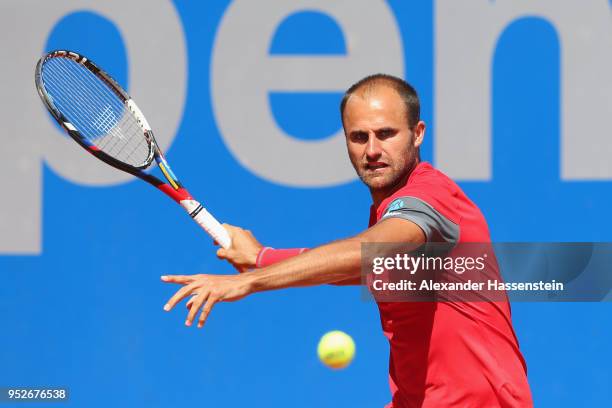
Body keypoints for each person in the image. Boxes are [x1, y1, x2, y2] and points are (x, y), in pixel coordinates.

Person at [161, 74, 533, 407]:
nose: (372, 150)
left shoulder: (431, 196)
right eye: (359, 137)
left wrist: (249, 280)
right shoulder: (387, 214)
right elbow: (363, 266)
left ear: (417, 133)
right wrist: (262, 257)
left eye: (386, 134)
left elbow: (371, 252)